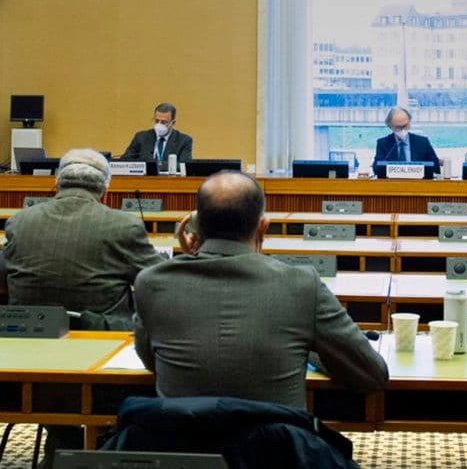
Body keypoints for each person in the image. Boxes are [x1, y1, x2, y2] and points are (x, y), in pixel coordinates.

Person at [132, 171, 389, 409]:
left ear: (195, 226)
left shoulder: (151, 283)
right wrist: (309, 345)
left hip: (183, 443)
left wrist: (196, 257)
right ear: (263, 227)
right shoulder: (301, 285)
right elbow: (372, 375)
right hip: (276, 442)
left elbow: (152, 361)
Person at [2, 148, 165, 468]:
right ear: (106, 191)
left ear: (55, 185)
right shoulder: (122, 225)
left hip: (27, 366)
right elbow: (158, 282)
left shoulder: (20, 222)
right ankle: (97, 444)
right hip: (103, 367)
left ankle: (62, 441)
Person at [123, 102, 193, 172]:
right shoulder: (141, 137)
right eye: (157, 121)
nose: (159, 125)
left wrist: (156, 165)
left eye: (164, 122)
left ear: (173, 123)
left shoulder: (184, 141)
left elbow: (185, 166)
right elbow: (125, 160)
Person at [372, 106, 440, 175]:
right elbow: (376, 169)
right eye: (398, 127)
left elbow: (436, 167)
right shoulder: (383, 143)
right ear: (390, 126)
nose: (402, 130)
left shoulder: (423, 142)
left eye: (405, 126)